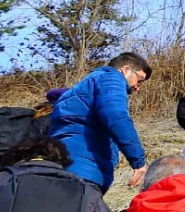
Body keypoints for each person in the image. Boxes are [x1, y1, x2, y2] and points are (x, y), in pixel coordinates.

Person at [48, 52, 151, 192]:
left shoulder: (84, 86)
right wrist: (138, 161)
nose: (137, 87)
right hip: (84, 170)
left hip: (61, 164)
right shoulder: (111, 79)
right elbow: (115, 116)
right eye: (139, 80)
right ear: (126, 70)